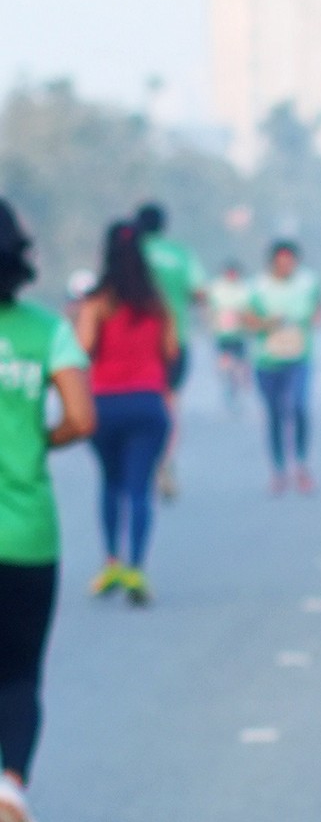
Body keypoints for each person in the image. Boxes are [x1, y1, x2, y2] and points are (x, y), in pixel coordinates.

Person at [0, 199, 94, 822]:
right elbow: (81, 419)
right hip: (26, 531)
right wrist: (35, 441)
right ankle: (9, 787)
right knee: (17, 672)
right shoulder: (46, 330)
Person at [77, 219, 178, 603]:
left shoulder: (97, 303)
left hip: (105, 404)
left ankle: (111, 563)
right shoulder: (157, 304)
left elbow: (83, 348)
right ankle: (136, 569)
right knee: (139, 488)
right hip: (148, 403)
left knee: (110, 482)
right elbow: (171, 351)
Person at [134, 201, 206, 501]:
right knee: (169, 403)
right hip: (175, 341)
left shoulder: (131, 253)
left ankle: (142, 460)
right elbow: (199, 293)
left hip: (137, 342)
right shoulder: (180, 254)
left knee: (137, 398)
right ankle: (165, 460)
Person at [247, 239, 321, 493]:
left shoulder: (308, 283)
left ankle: (301, 464)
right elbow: (247, 320)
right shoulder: (258, 286)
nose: (286, 267)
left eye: (290, 262)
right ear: (272, 263)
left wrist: (312, 320)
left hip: (299, 358)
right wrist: (268, 324)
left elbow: (319, 311)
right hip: (267, 361)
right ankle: (278, 470)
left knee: (299, 408)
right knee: (275, 414)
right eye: (281, 263)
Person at [210, 258, 253, 402]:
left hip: (240, 335)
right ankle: (228, 389)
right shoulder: (216, 287)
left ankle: (241, 389)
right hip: (222, 335)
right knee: (225, 365)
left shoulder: (244, 288)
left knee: (241, 366)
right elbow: (209, 309)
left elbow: (249, 309)